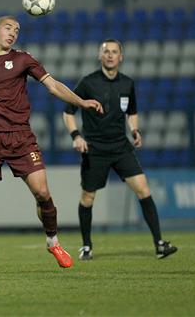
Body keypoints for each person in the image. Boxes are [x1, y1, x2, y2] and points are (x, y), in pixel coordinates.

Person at [0, 15, 103, 274]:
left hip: (20, 136)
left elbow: (53, 85)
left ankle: (53, 241)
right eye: (8, 28)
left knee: (42, 192)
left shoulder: (23, 59)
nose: (13, 33)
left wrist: (81, 102)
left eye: (17, 30)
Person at [63, 38, 178, 261]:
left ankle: (160, 244)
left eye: (114, 52)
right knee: (88, 198)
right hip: (95, 148)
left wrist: (134, 130)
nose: (110, 55)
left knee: (144, 190)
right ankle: (86, 246)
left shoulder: (128, 83)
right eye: (106, 51)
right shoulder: (88, 83)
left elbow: (131, 111)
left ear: (121, 57)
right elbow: (68, 112)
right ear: (100, 55)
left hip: (120, 146)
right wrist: (76, 136)